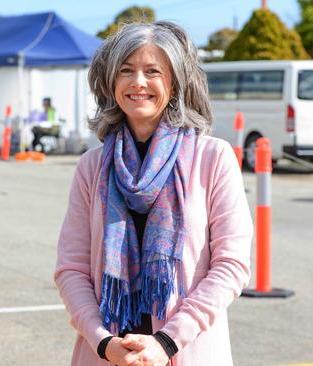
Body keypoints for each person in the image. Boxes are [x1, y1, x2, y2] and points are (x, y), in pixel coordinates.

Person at [54, 21, 252, 366]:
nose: (138, 82)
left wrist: (166, 341)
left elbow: (231, 265)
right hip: (108, 354)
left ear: (175, 82)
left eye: (153, 71)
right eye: (126, 71)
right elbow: (71, 268)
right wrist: (103, 342)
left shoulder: (213, 158)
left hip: (186, 350)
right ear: (111, 82)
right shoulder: (92, 166)